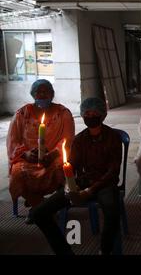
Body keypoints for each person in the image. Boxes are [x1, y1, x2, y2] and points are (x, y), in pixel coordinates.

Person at [32, 97, 122, 255]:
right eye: (87, 112)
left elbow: (113, 171)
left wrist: (90, 191)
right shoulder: (80, 139)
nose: (91, 115)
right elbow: (72, 166)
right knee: (38, 213)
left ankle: (105, 250)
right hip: (83, 182)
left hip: (105, 184)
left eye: (95, 112)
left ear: (102, 114)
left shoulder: (112, 137)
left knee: (112, 211)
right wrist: (68, 185)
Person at [7, 79, 75, 223]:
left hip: (54, 156)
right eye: (39, 92)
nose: (43, 95)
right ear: (33, 94)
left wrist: (53, 153)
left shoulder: (63, 113)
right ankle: (39, 205)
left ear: (52, 94)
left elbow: (68, 139)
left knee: (61, 170)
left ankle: (42, 207)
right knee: (17, 172)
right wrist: (25, 154)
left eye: (46, 91)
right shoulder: (22, 113)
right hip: (27, 159)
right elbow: (13, 140)